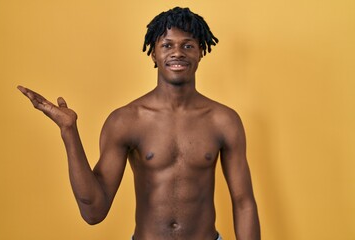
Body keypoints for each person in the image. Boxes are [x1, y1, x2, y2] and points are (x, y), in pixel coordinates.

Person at [18, 7, 260, 240]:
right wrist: (69, 132)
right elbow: (94, 212)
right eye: (167, 45)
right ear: (154, 53)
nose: (178, 53)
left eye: (188, 45)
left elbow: (244, 202)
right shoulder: (126, 120)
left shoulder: (224, 120)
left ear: (201, 52)